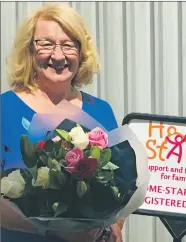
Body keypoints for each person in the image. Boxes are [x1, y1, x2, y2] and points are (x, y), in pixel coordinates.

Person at [1, 3, 124, 242]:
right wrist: (55, 229)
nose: (58, 55)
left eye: (69, 45)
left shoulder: (101, 111)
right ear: (29, 50)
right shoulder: (4, 109)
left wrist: (115, 227)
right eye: (46, 43)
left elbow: (120, 186)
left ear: (81, 52)